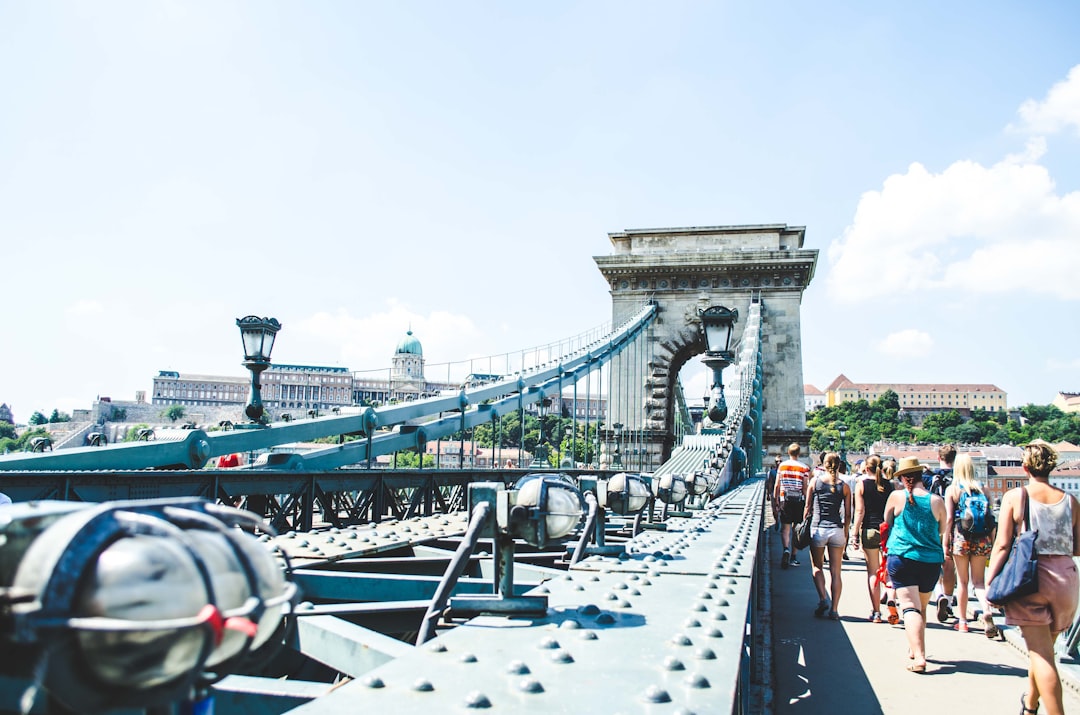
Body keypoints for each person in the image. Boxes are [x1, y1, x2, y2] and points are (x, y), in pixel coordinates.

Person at [987, 441, 1080, 715]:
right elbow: (1077, 547)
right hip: (1065, 580)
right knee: (1045, 652)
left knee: (1041, 656)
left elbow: (1003, 545)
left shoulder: (1017, 497)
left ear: (1025, 467)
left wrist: (991, 583)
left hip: (1031, 577)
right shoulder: (1071, 500)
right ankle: (1030, 704)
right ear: (1052, 467)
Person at [883, 456, 947, 673]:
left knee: (910, 608)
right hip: (930, 561)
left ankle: (918, 656)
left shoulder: (896, 496)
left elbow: (887, 521)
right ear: (922, 476)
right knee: (921, 607)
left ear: (901, 478)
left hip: (902, 557)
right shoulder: (936, 501)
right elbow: (941, 530)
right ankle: (916, 647)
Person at [943, 453, 998, 635]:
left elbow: (950, 518)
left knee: (963, 582)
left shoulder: (953, 489)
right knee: (979, 582)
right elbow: (990, 518)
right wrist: (992, 541)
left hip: (961, 537)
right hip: (982, 538)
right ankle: (987, 611)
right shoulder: (984, 488)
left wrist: (946, 542)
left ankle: (962, 622)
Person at [804, 452, 852, 619]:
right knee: (836, 572)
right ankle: (835, 610)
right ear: (839, 466)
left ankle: (823, 598)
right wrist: (845, 534)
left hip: (818, 529)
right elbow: (847, 516)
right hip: (837, 530)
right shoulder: (844, 486)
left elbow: (807, 508)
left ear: (823, 464)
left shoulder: (815, 482)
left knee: (817, 567)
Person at [853, 455, 896, 623]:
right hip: (887, 530)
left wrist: (855, 533)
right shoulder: (890, 485)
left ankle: (876, 612)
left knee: (873, 571)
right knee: (890, 569)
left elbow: (859, 511)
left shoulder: (861, 485)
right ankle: (891, 598)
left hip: (870, 529)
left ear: (866, 469)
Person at [928, 445, 958, 622]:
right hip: (956, 528)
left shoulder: (933, 477)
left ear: (938, 457)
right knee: (950, 566)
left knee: (935, 563)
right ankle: (949, 598)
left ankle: (939, 594)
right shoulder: (961, 478)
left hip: (936, 524)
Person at [774, 442, 810, 569]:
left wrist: (776, 500)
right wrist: (807, 503)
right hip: (799, 500)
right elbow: (805, 488)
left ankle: (785, 550)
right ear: (798, 453)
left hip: (785, 499)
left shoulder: (782, 466)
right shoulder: (804, 468)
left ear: (788, 452)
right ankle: (794, 557)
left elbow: (777, 485)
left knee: (785, 528)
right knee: (796, 529)